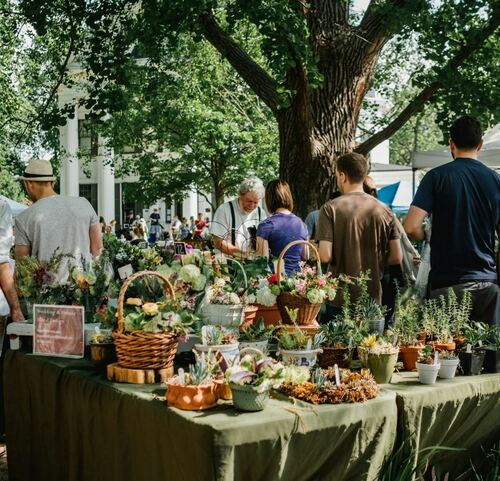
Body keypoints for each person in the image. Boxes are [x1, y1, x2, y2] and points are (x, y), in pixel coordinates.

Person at [404, 115, 500, 325]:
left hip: (446, 283)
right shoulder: (495, 180)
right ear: (480, 144)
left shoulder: (436, 177)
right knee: (489, 352)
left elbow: (411, 226)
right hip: (486, 284)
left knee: (446, 351)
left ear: (451, 143)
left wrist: (428, 236)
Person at [317, 152, 403, 320]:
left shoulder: (330, 209)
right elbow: (396, 257)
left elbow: (325, 255)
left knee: (337, 346)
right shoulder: (384, 210)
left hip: (339, 298)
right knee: (370, 345)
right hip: (372, 297)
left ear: (342, 176)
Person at [14, 159, 103, 279]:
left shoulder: (23, 218)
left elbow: (22, 269)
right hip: (84, 289)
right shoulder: (84, 204)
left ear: (29, 184)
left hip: (45, 294)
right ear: (52, 183)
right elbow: (98, 252)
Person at [255, 180, 308, 275]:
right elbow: (305, 256)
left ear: (269, 199)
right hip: (298, 282)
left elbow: (262, 262)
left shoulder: (266, 225)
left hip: (276, 281)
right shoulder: (301, 224)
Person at [210, 177, 267, 256]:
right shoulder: (224, 210)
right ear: (240, 194)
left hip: (253, 264)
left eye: (255, 202)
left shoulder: (261, 213)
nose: (252, 205)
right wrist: (241, 254)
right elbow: (218, 242)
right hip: (227, 263)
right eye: (249, 201)